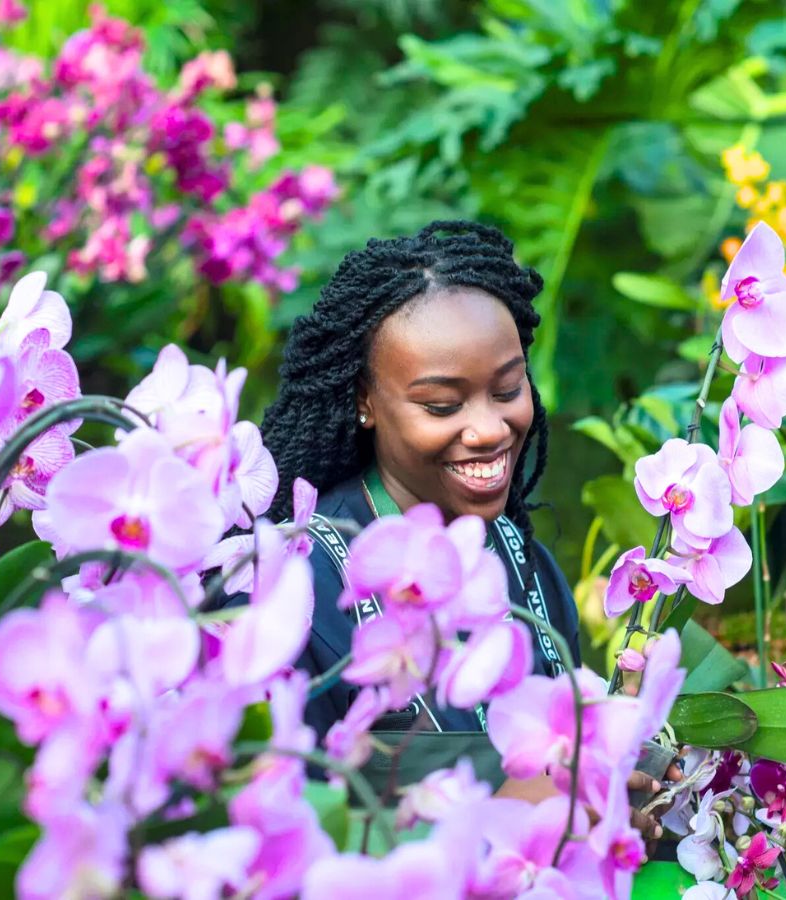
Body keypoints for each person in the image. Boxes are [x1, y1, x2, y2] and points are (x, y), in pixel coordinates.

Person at [231, 220, 670, 838]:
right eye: (442, 405)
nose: (490, 428)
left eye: (508, 388)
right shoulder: (296, 587)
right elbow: (275, 817)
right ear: (365, 400)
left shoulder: (524, 564)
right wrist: (511, 808)